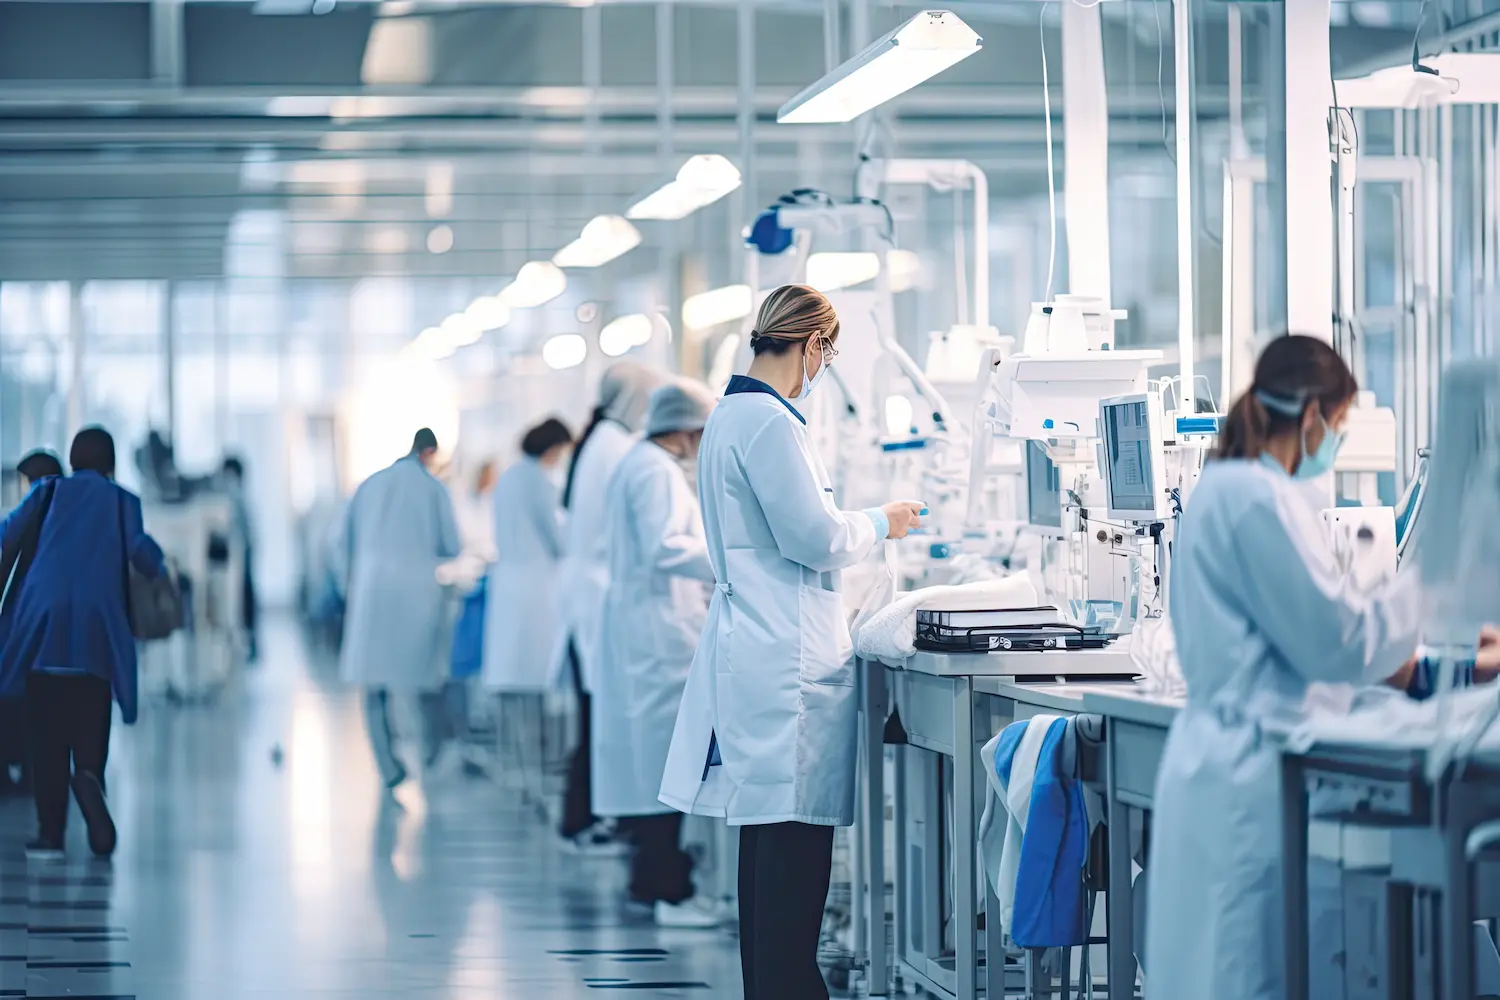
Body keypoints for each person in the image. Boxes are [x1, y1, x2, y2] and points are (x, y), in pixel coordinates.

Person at [658, 285, 925, 1000]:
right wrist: (882, 521)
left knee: (769, 856)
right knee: (790, 860)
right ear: (812, 345)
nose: (823, 368)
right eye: (827, 355)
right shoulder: (770, 424)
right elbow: (814, 537)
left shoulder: (731, 416)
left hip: (761, 648)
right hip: (786, 662)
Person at [1144, 335, 1425, 1000]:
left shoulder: (1227, 487)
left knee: (1216, 970)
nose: (1337, 440)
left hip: (1219, 766)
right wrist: (1430, 585)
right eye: (1342, 425)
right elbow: (1335, 641)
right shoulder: (1256, 499)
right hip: (1251, 779)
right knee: (1248, 971)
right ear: (1312, 418)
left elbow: (1304, 636)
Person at [0, 426, 168, 858]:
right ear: (111, 464)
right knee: (92, 710)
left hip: (43, 620)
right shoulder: (121, 501)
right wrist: (162, 569)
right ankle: (90, 774)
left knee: (46, 735)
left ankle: (50, 834)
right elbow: (141, 550)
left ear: (72, 460)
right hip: (97, 626)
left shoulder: (49, 491)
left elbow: (8, 533)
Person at [594, 381, 719, 928]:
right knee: (663, 762)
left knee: (652, 759)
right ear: (688, 429)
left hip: (648, 625)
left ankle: (656, 880)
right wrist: (733, 564)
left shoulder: (642, 464)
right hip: (657, 630)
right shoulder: (653, 471)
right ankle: (666, 890)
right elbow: (666, 546)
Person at [553, 362, 667, 851]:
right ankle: (597, 820)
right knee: (608, 717)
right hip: (602, 594)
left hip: (589, 594)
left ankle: (587, 818)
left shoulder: (597, 442)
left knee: (597, 713)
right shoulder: (619, 449)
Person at [335, 428, 461, 791]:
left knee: (374, 687)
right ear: (431, 453)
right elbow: (451, 545)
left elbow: (340, 544)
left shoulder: (369, 485)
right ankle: (430, 756)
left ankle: (389, 768)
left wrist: (351, 586)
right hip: (416, 593)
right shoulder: (434, 490)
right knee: (425, 680)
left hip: (371, 593)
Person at [481, 419, 572, 789]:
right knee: (537, 676)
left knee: (513, 680)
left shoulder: (508, 478)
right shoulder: (541, 482)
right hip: (537, 587)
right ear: (553, 448)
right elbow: (558, 537)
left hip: (509, 584)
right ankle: (537, 764)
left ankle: (516, 765)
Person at [0, 449, 65, 797]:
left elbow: (5, 543)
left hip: (22, 618)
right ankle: (32, 773)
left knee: (11, 693)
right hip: (57, 631)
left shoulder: (36, 503)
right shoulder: (72, 521)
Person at [220, 456, 258, 663]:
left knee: (245, 599)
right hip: (238, 556)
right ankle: (247, 643)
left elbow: (246, 531)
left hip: (242, 554)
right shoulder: (234, 497)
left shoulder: (237, 498)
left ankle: (249, 643)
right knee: (242, 599)